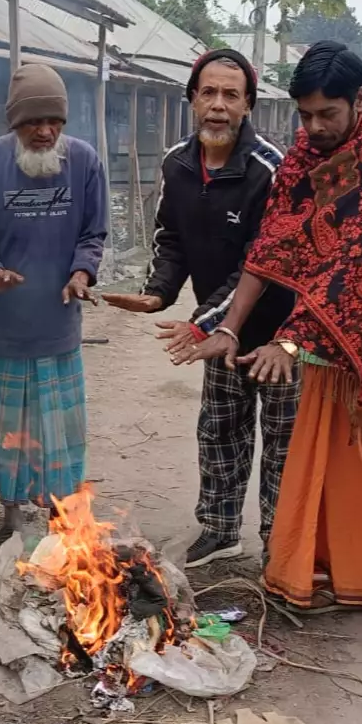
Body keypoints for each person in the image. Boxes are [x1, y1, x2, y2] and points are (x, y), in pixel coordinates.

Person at [184, 41, 362, 665]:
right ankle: (326, 576)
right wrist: (232, 327)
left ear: (360, 101)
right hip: (326, 337)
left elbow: (353, 260)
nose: (314, 127)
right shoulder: (305, 152)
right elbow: (274, 243)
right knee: (319, 458)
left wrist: (292, 340)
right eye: (305, 115)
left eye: (327, 114)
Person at [102, 49, 295, 568]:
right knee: (221, 428)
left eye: (231, 95)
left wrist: (204, 321)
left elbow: (263, 261)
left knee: (283, 443)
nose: (217, 105)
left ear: (248, 105)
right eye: (207, 92)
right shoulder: (177, 163)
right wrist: (157, 292)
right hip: (218, 330)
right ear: (191, 99)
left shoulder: (270, 170)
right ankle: (220, 528)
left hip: (281, 332)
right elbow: (172, 240)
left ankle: (281, 543)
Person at [0, 64, 106, 538]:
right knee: (10, 424)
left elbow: (94, 232)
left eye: (54, 122)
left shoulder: (85, 162)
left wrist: (82, 272)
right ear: (13, 124)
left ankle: (61, 512)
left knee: (59, 429)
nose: (44, 132)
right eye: (32, 123)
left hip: (58, 321)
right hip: (4, 325)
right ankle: (11, 513)